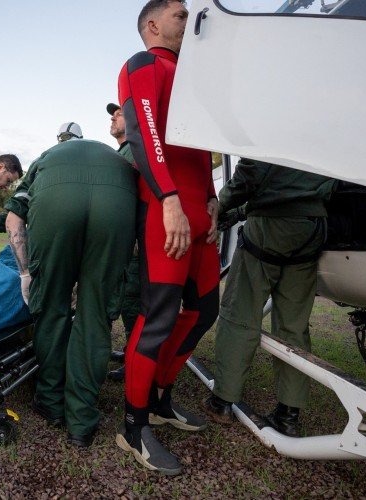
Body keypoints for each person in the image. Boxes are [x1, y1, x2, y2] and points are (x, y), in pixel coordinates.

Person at [115, 0, 220, 475]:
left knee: (203, 311)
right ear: (154, 24)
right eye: (181, 14)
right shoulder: (144, 64)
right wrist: (171, 199)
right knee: (158, 316)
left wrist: (213, 198)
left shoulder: (190, 77)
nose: (189, 20)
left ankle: (160, 399)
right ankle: (133, 426)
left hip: (200, 210)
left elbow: (198, 145)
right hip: (166, 207)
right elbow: (145, 134)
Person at [5, 137, 136, 448]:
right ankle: (82, 420)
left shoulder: (45, 157)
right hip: (116, 204)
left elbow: (14, 221)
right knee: (95, 317)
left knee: (51, 308)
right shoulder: (118, 160)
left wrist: (26, 273)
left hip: (55, 202)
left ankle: (50, 402)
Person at [203, 159, 336, 436]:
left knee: (239, 311)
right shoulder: (329, 125)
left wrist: (221, 203)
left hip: (270, 226)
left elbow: (249, 176)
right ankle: (289, 413)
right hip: (313, 226)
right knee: (294, 323)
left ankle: (223, 399)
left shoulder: (276, 122)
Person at [105, 102, 140, 382]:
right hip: (128, 242)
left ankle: (136, 362)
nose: (114, 117)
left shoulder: (134, 151)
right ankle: (131, 351)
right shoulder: (124, 152)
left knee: (133, 302)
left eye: (119, 114)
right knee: (129, 299)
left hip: (135, 245)